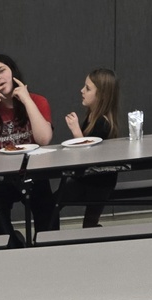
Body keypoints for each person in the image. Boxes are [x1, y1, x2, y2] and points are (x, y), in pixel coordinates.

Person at [0, 53, 57, 236]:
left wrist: (26, 100)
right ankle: (12, 244)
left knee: (48, 213)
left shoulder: (37, 101)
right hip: (2, 176)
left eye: (2, 71)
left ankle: (46, 247)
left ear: (13, 72)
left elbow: (44, 139)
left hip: (34, 171)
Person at [57, 68, 120, 228]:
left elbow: (89, 155)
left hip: (98, 183)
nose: (82, 90)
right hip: (91, 180)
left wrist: (76, 131)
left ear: (102, 95)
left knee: (54, 205)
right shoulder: (92, 117)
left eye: (88, 88)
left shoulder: (103, 123)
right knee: (87, 221)